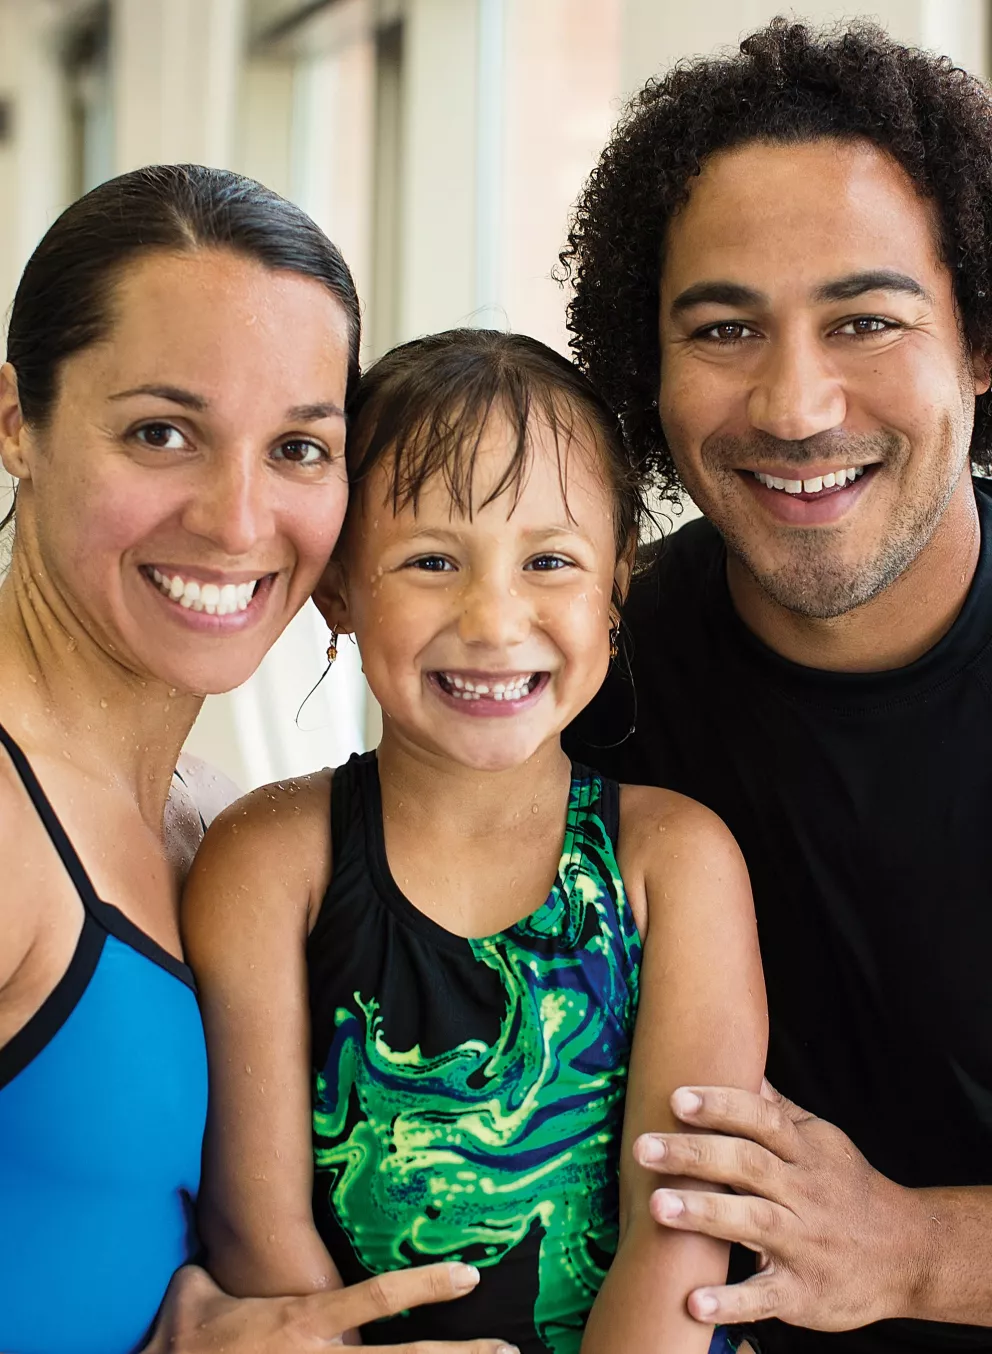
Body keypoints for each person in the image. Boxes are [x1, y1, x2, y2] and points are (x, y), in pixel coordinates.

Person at [0, 163, 513, 1354]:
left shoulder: (218, 822)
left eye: (296, 447)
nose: (237, 521)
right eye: (161, 432)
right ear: (17, 421)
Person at [181, 329, 767, 1354]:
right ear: (338, 588)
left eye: (548, 560)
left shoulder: (671, 864)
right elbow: (256, 1228)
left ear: (617, 580)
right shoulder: (270, 862)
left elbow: (679, 1231)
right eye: (429, 560)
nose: (494, 620)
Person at [559, 17, 992, 1354]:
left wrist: (918, 1248)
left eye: (866, 319)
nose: (797, 404)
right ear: (650, 369)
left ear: (979, 343)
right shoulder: (578, 674)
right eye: (726, 326)